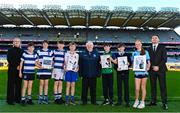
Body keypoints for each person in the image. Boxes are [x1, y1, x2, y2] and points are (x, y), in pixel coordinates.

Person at [148, 35, 168, 110]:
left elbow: (164, 59)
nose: (154, 39)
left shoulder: (162, 47)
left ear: (158, 39)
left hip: (161, 70)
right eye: (153, 38)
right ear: (151, 40)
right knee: (153, 86)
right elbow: (148, 59)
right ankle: (153, 101)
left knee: (163, 86)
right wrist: (152, 66)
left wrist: (158, 66)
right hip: (152, 70)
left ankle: (164, 103)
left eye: (156, 38)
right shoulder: (149, 48)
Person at [132, 39, 150, 109]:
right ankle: (136, 100)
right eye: (136, 44)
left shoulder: (146, 52)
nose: (137, 45)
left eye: (139, 44)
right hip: (137, 73)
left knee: (143, 88)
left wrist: (148, 67)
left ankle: (142, 102)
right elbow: (133, 63)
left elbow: (148, 62)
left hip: (144, 72)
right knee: (137, 88)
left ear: (141, 44)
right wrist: (133, 66)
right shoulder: (134, 53)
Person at [7, 37, 24, 105]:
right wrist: (16, 65)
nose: (17, 42)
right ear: (13, 42)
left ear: (20, 43)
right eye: (15, 41)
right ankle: (10, 100)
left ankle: (17, 99)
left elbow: (23, 60)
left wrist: (20, 66)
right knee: (11, 85)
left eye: (18, 41)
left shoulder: (22, 51)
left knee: (18, 85)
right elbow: (9, 59)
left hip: (19, 70)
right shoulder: (10, 50)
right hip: (12, 70)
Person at [114, 43, 131, 107]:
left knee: (126, 87)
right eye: (119, 47)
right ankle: (119, 101)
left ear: (124, 48)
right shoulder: (116, 55)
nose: (121, 48)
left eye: (122, 47)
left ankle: (127, 101)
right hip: (119, 73)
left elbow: (130, 63)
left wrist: (129, 63)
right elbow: (115, 65)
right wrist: (116, 68)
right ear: (118, 48)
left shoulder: (127, 55)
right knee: (119, 88)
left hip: (126, 73)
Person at [37, 40, 53, 104]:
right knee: (41, 84)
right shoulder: (39, 51)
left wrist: (51, 65)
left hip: (47, 70)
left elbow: (52, 61)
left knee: (46, 84)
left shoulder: (51, 52)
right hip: (41, 70)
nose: (45, 45)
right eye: (44, 44)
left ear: (48, 45)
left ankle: (45, 98)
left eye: (46, 44)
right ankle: (40, 98)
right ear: (42, 44)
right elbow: (37, 60)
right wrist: (39, 65)